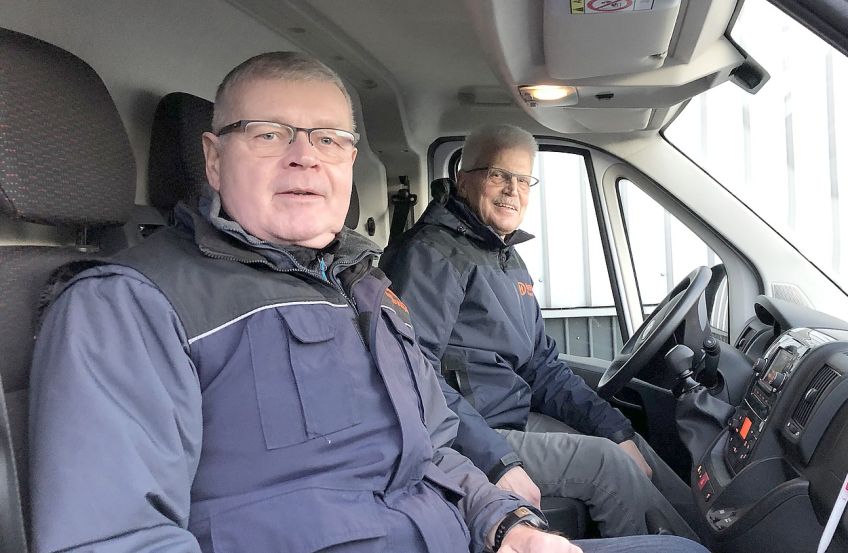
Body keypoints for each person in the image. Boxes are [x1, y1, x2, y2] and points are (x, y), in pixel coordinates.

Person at [28, 52, 709, 553]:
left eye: (328, 138)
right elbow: (116, 538)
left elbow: (433, 448)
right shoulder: (129, 305)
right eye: (267, 133)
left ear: (349, 160)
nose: (304, 157)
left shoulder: (363, 288)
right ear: (212, 158)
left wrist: (507, 523)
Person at [381, 124, 699, 539]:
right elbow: (412, 372)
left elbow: (543, 366)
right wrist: (496, 460)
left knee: (631, 448)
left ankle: (704, 542)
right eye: (497, 175)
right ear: (464, 179)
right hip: (475, 432)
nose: (511, 190)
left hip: (510, 416)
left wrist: (614, 428)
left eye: (522, 179)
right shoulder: (431, 255)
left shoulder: (505, 257)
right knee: (608, 465)